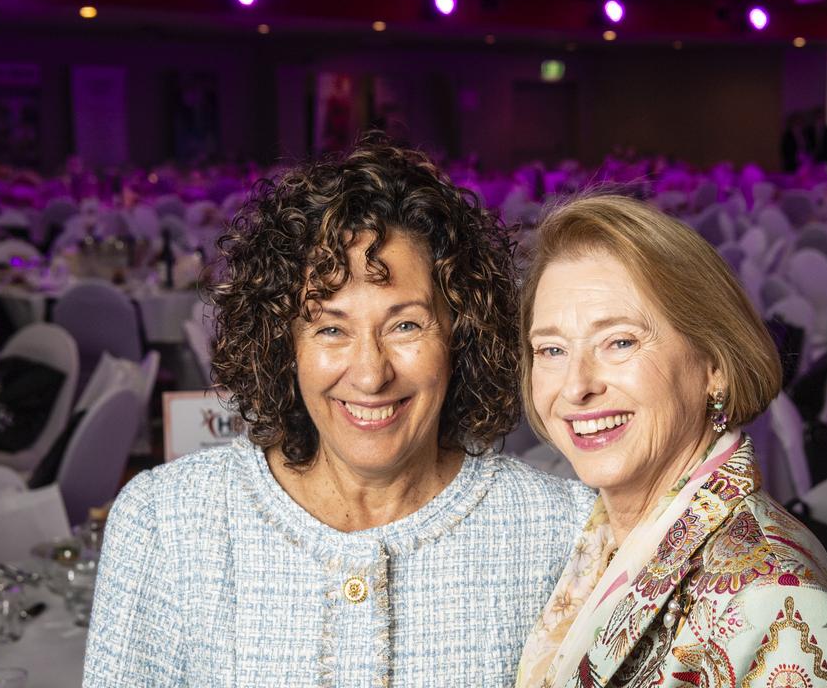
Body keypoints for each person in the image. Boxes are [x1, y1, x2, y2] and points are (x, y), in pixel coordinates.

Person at [84, 134, 593, 686]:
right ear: (284, 344)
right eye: (330, 328)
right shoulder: (164, 522)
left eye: (405, 325)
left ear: (460, 334)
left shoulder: (564, 532)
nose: (371, 374)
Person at [514, 195, 827, 687]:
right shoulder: (597, 536)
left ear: (714, 366)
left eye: (620, 342)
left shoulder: (779, 603)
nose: (576, 386)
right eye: (551, 349)